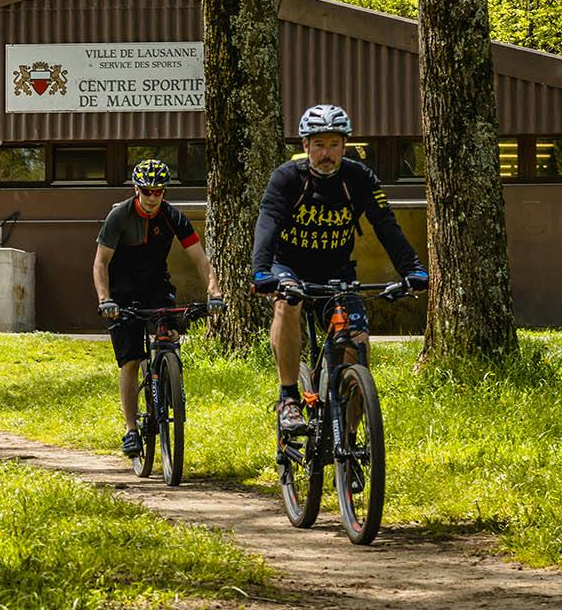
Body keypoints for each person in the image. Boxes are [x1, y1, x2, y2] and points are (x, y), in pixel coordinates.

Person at [251, 104, 429, 434]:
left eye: (334, 144)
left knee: (358, 346)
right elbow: (268, 223)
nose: (326, 153)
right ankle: (289, 397)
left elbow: (386, 225)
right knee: (287, 304)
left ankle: (347, 444)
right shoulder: (287, 179)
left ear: (344, 146)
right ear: (305, 146)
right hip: (288, 266)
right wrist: (262, 272)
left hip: (338, 273)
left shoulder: (359, 178)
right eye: (319, 144)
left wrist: (413, 270)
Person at [94, 159, 223, 457]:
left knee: (170, 335)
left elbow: (200, 259)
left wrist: (214, 290)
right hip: (121, 293)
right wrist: (105, 299)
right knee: (130, 361)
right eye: (147, 191)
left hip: (156, 287)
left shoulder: (172, 217)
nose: (153, 198)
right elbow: (100, 263)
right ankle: (130, 429)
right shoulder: (119, 216)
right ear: (136, 189)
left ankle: (168, 378)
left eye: (159, 192)